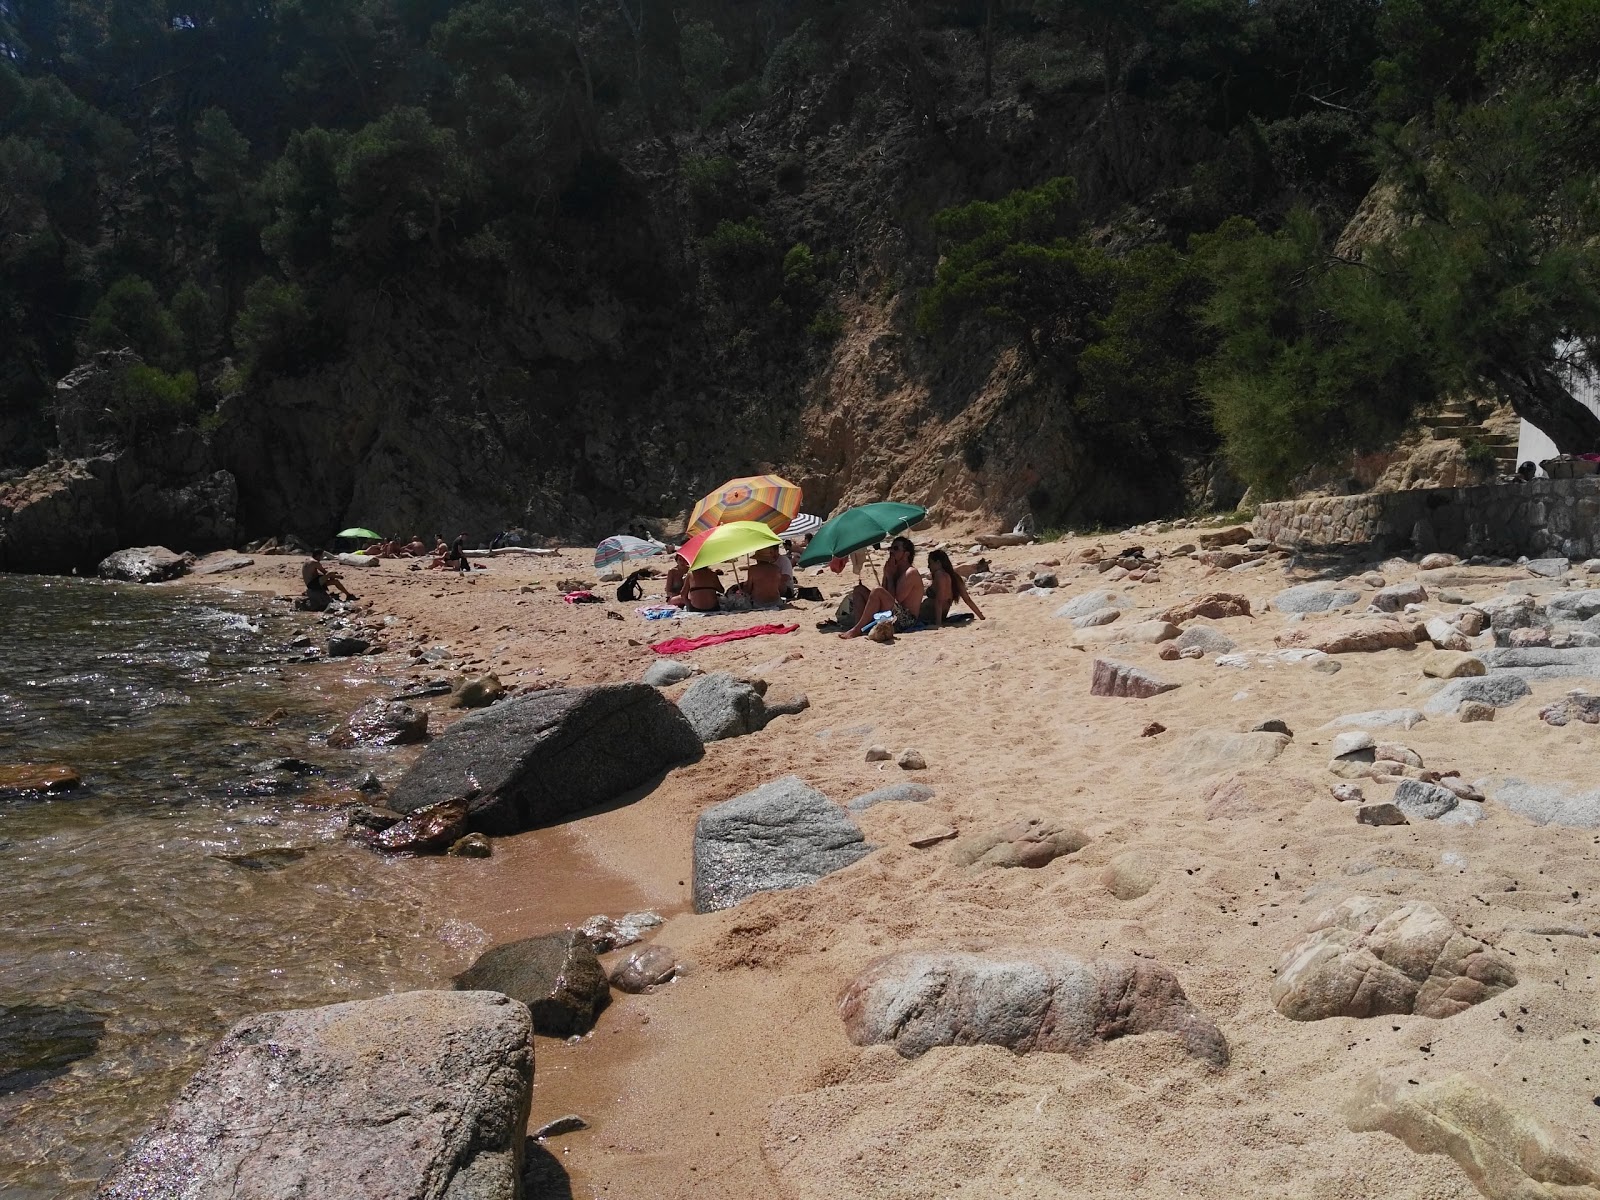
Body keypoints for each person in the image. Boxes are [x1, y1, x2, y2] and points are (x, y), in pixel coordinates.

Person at [839, 536, 925, 639]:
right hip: (892, 612)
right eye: (891, 548)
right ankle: (859, 627)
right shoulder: (893, 568)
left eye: (896, 548)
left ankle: (856, 630)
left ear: (906, 554)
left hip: (906, 620)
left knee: (877, 591)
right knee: (859, 590)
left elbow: (896, 599)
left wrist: (890, 576)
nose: (891, 551)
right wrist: (887, 574)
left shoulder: (910, 573)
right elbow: (884, 591)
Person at [920, 548, 986, 628]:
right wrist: (981, 617)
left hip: (927, 615)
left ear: (938, 563)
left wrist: (938, 624)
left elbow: (939, 601)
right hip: (941, 615)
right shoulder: (955, 577)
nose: (928, 566)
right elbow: (967, 599)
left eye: (930, 563)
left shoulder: (939, 575)